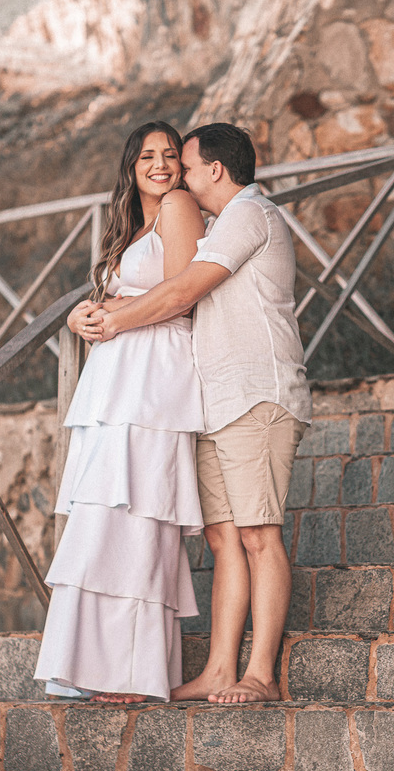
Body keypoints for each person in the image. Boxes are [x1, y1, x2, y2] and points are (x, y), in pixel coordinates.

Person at [83, 123, 312, 703]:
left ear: (214, 169)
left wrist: (112, 321)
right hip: (215, 401)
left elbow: (182, 293)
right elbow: (167, 290)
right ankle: (217, 671)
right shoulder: (218, 224)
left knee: (260, 535)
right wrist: (91, 312)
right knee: (222, 538)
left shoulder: (249, 216)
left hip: (258, 395)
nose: (177, 179)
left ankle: (260, 674)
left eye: (184, 167)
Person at [34, 120, 208, 703]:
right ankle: (91, 663)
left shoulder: (180, 205)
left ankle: (133, 671)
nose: (161, 166)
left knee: (136, 518)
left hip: (152, 381)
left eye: (169, 156)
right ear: (131, 167)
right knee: (103, 516)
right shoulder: (132, 224)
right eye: (148, 158)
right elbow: (121, 295)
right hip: (116, 381)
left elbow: (182, 293)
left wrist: (114, 319)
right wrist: (79, 317)